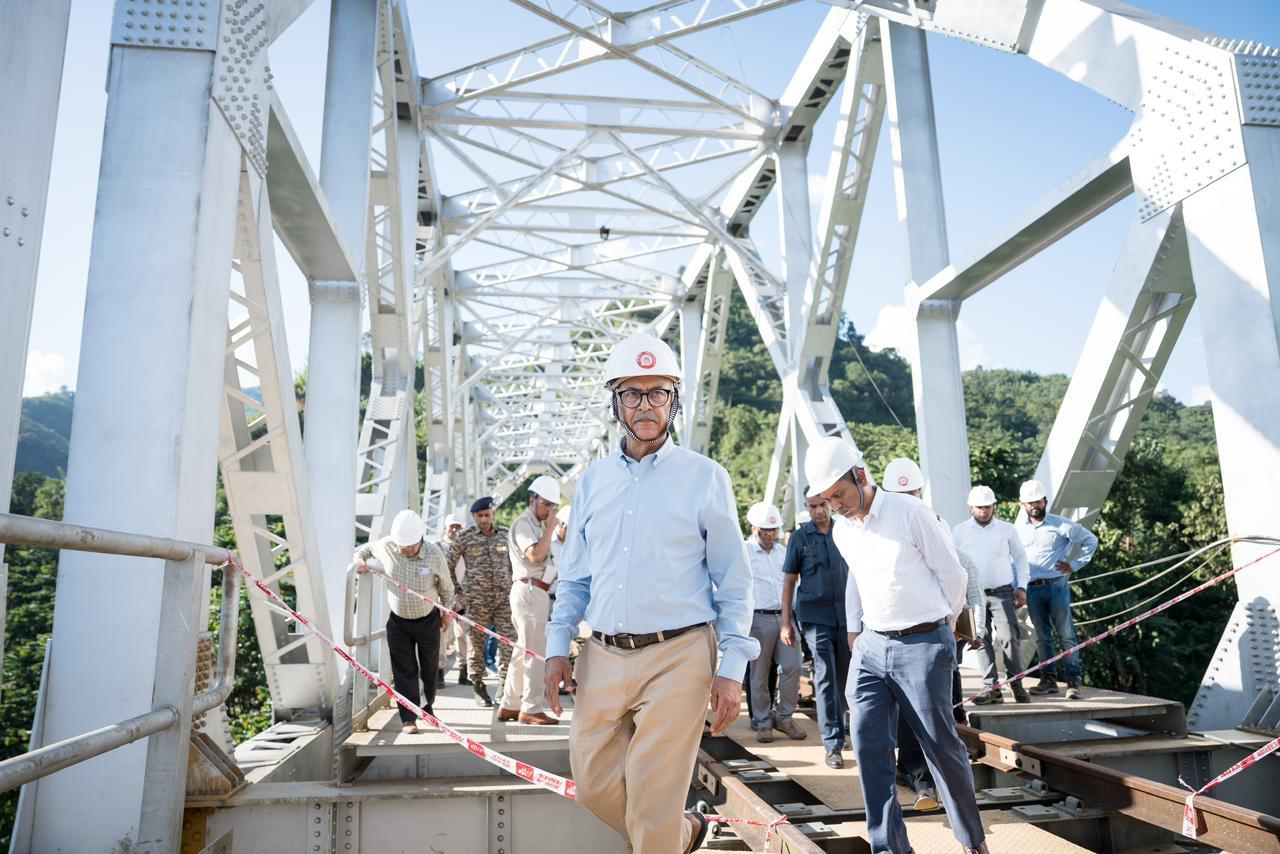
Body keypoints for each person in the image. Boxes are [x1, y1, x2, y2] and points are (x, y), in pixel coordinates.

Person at [544, 332, 757, 854]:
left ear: (673, 401)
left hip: (679, 655)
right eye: (632, 394)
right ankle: (684, 835)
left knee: (651, 800)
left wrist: (731, 669)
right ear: (615, 402)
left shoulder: (706, 478)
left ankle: (665, 832)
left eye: (657, 392)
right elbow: (573, 577)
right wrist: (555, 646)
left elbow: (734, 579)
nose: (645, 405)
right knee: (593, 787)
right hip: (602, 654)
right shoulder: (592, 483)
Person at [806, 436, 988, 854]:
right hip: (871, 648)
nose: (835, 504)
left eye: (839, 494)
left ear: (861, 476)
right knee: (869, 747)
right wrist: (861, 633)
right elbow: (861, 583)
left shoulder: (912, 513)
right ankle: (888, 847)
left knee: (940, 746)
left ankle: (972, 841)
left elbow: (954, 577)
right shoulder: (843, 531)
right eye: (826, 499)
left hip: (922, 644)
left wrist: (939, 628)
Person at [880, 457, 983, 814]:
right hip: (892, 633)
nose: (908, 498)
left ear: (921, 492)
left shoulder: (934, 522)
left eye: (912, 492)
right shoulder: (875, 527)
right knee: (912, 711)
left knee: (933, 709)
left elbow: (957, 573)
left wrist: (954, 624)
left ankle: (927, 776)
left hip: (932, 630)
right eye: (901, 493)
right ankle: (914, 772)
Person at [351, 510, 453, 734]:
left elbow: (446, 586)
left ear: (420, 539)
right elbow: (365, 549)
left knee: (429, 668)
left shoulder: (434, 554)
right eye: (402, 546)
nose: (405, 550)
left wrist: (447, 613)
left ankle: (427, 708)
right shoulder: (387, 546)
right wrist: (359, 560)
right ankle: (409, 718)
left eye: (410, 546)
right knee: (404, 670)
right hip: (399, 621)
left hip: (428, 620)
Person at [782, 491, 850, 768]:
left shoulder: (846, 532)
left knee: (848, 680)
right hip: (815, 618)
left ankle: (848, 729)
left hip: (848, 618)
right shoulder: (800, 539)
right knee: (824, 677)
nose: (818, 511)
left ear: (831, 504)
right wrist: (786, 623)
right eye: (812, 507)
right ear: (806, 507)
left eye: (822, 505)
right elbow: (789, 582)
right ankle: (832, 744)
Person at [1016, 480, 1098, 700]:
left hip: (1056, 586)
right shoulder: (1018, 530)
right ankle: (1048, 681)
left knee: (1066, 635)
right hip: (1032, 589)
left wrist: (1075, 564)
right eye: (1030, 502)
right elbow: (1015, 560)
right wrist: (1018, 588)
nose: (1034, 505)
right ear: (1023, 504)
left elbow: (1090, 540)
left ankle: (1073, 682)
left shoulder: (1060, 524)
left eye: (1037, 501)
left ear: (1045, 501)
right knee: (1042, 637)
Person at [953, 485, 1031, 705]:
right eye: (979, 507)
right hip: (971, 595)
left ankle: (1017, 685)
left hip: (1002, 593)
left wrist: (1022, 586)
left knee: (1009, 638)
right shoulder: (959, 531)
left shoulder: (1007, 529)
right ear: (971, 508)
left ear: (994, 506)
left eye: (988, 507)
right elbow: (952, 562)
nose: (984, 511)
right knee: (980, 639)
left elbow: (1021, 558)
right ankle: (992, 689)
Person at [498, 475, 562, 725]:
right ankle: (531, 707)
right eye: (546, 504)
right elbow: (535, 555)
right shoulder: (524, 524)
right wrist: (550, 529)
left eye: (551, 505)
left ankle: (510, 704)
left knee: (522, 650)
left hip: (535, 591)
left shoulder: (534, 524)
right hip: (529, 590)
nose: (549, 510)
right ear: (533, 500)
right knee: (535, 653)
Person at [447, 496, 516, 708]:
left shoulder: (505, 535)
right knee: (475, 645)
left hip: (504, 599)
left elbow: (517, 562)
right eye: (480, 516)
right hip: (476, 600)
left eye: (487, 515)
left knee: (509, 643)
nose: (484, 520)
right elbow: (447, 565)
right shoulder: (464, 538)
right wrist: (457, 592)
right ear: (474, 516)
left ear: (492, 514)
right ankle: (478, 686)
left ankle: (505, 686)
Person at [744, 502, 805, 744]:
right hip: (758, 618)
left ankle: (785, 717)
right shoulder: (744, 552)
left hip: (784, 617)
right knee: (758, 672)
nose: (770, 535)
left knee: (792, 666)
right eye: (765, 530)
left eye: (774, 530)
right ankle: (762, 721)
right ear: (754, 528)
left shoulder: (784, 553)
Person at [436, 513, 465, 687]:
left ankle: (464, 670)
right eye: (451, 526)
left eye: (457, 527)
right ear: (445, 528)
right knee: (440, 633)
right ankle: (439, 670)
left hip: (461, 594)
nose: (454, 530)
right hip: (441, 595)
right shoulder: (437, 547)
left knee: (464, 633)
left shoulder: (465, 547)